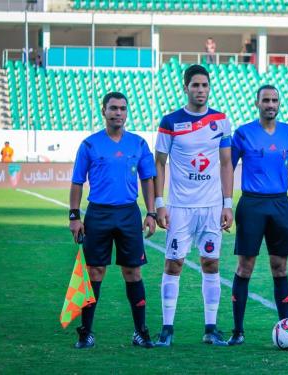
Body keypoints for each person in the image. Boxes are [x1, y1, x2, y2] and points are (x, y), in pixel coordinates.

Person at [68, 92, 157, 349]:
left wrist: (150, 212)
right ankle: (86, 332)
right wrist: (74, 216)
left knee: (133, 272)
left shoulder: (138, 144)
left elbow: (147, 179)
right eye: (113, 108)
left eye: (122, 109)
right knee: (95, 272)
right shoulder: (89, 145)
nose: (118, 113)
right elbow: (77, 182)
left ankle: (141, 331)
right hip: (98, 214)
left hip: (128, 214)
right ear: (103, 111)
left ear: (127, 113)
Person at [154, 64, 233, 347]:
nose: (200, 90)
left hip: (212, 207)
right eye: (195, 85)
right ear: (185, 87)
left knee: (211, 263)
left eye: (205, 85)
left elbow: (226, 163)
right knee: (173, 264)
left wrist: (227, 203)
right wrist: (159, 204)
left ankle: (211, 329)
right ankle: (166, 329)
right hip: (180, 207)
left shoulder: (221, 121)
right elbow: (159, 163)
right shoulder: (171, 121)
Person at [227, 85, 288, 346]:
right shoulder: (243, 134)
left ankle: (286, 328)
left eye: (274, 100)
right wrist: (224, 202)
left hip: (280, 204)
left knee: (280, 267)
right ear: (257, 103)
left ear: (279, 104)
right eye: (266, 100)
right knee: (244, 266)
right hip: (252, 204)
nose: (270, 104)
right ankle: (238, 331)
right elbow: (228, 167)